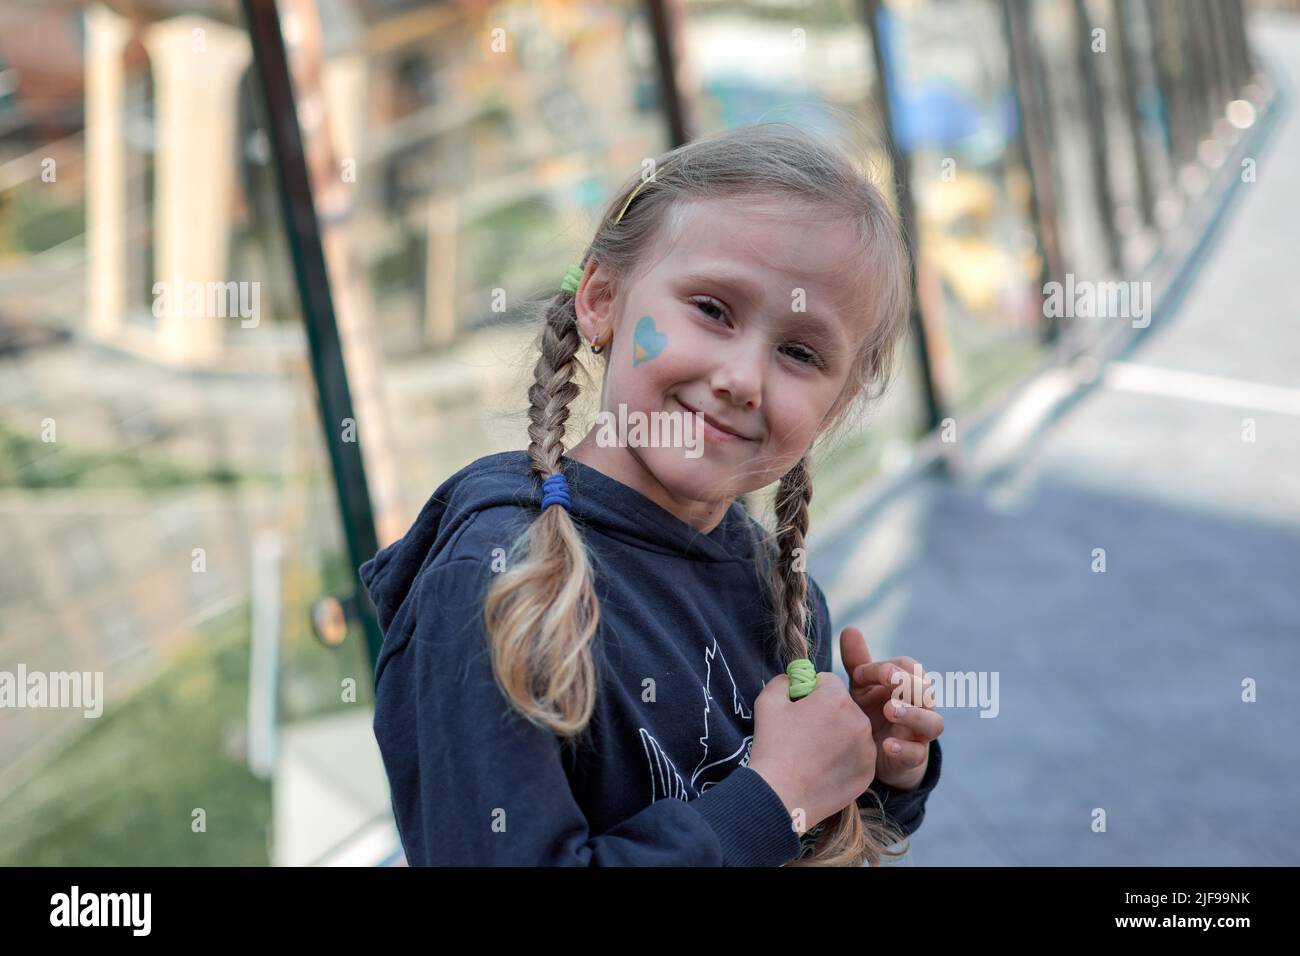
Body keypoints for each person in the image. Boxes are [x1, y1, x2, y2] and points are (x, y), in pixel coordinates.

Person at [361, 121, 944, 866]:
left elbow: (784, 834)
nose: (742, 377)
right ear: (602, 299)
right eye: (712, 309)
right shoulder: (499, 582)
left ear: (834, 407)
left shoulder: (779, 592)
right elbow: (758, 813)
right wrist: (778, 791)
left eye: (800, 352)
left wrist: (875, 769)